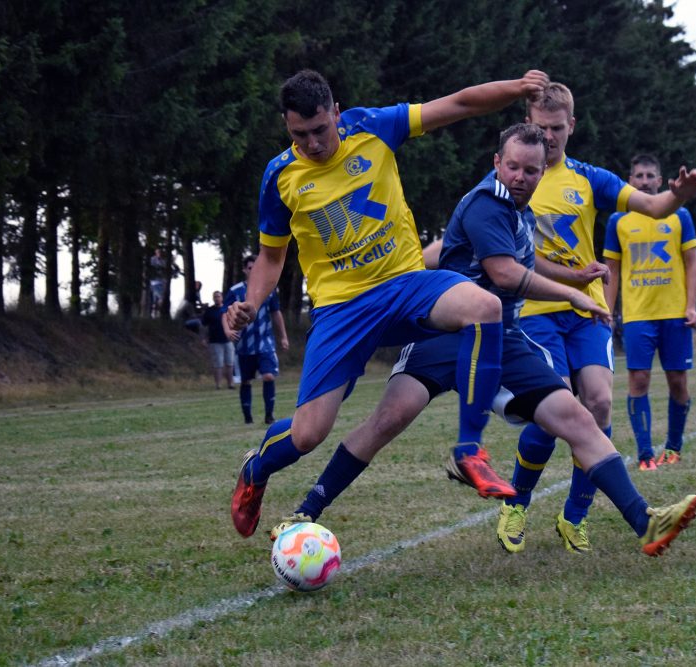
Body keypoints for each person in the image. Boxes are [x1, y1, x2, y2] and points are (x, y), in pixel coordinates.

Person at [268, 124, 696, 558]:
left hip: (500, 340)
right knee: (387, 420)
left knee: (578, 419)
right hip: (443, 335)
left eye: (530, 170)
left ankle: (645, 521)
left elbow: (516, 261)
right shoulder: (487, 204)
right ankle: (307, 511)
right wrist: (573, 294)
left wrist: (573, 276)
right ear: (497, 163)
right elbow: (504, 274)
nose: (520, 177)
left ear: (540, 172)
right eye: (512, 166)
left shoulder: (519, 214)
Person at [227, 68, 552, 538]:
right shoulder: (280, 177)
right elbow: (270, 256)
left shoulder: (374, 126)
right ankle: (256, 469)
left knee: (484, 308)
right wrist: (252, 302)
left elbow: (458, 102)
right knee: (307, 434)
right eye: (301, 134)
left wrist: (516, 90)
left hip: (405, 285)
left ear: (337, 113)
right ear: (287, 126)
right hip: (342, 311)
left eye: (321, 129)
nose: (315, 143)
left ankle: (469, 449)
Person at [497, 82, 696, 553]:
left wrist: (678, 195)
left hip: (586, 309)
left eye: (557, 128)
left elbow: (654, 206)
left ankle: (575, 515)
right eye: (540, 128)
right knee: (552, 409)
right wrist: (570, 274)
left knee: (599, 403)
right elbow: (514, 254)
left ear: (572, 126)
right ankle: (516, 503)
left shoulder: (588, 178)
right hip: (535, 312)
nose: (548, 137)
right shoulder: (513, 177)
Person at [603, 154, 696, 470]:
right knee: (638, 380)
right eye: (639, 176)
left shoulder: (680, 216)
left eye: (650, 176)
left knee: (677, 382)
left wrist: (691, 306)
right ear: (630, 181)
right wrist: (606, 309)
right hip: (637, 315)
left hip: (674, 314)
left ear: (660, 180)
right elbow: (612, 270)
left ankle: (673, 448)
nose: (644, 181)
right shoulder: (618, 221)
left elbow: (691, 262)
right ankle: (645, 455)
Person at [224, 256, 290, 424]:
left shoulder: (268, 289)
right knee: (245, 380)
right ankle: (248, 417)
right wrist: (227, 330)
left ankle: (269, 415)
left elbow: (276, 313)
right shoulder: (235, 291)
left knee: (268, 376)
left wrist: (283, 336)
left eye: (256, 267)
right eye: (250, 268)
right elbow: (225, 313)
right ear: (245, 270)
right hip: (244, 344)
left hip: (265, 343)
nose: (253, 271)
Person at [201, 290, 235, 390]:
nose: (217, 298)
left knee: (230, 363)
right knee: (218, 364)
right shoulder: (209, 311)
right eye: (215, 297)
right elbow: (204, 326)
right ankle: (218, 385)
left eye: (218, 296)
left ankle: (231, 384)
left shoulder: (227, 309)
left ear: (222, 298)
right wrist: (203, 338)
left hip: (228, 340)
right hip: (215, 341)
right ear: (213, 298)